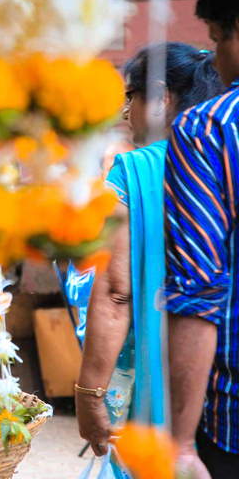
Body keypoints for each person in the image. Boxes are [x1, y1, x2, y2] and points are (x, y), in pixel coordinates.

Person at [76, 43, 223, 473]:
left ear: (159, 97)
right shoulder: (225, 156)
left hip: (164, 379)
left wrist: (88, 396)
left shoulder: (131, 170)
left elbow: (116, 292)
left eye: (130, 97)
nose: (126, 114)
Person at [163, 0, 239, 476]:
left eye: (219, 38)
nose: (215, 57)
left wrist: (182, 443)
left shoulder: (209, 127)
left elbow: (199, 287)